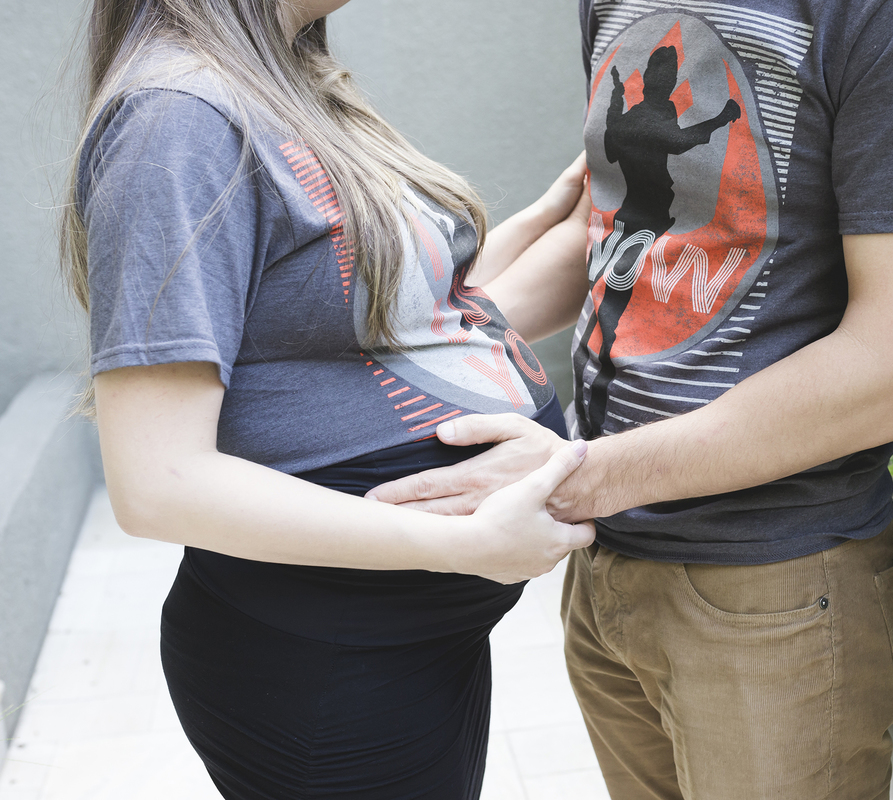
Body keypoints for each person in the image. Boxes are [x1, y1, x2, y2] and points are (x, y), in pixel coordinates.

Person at [366, 0, 893, 797]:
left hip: (774, 587)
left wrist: (576, 477)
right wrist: (422, 354)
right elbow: (611, 240)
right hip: (603, 554)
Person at [62, 0, 596, 797]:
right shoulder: (176, 118)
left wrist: (576, 211)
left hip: (398, 647)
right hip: (324, 672)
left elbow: (406, 324)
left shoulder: (280, 85)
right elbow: (156, 482)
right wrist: (460, 546)